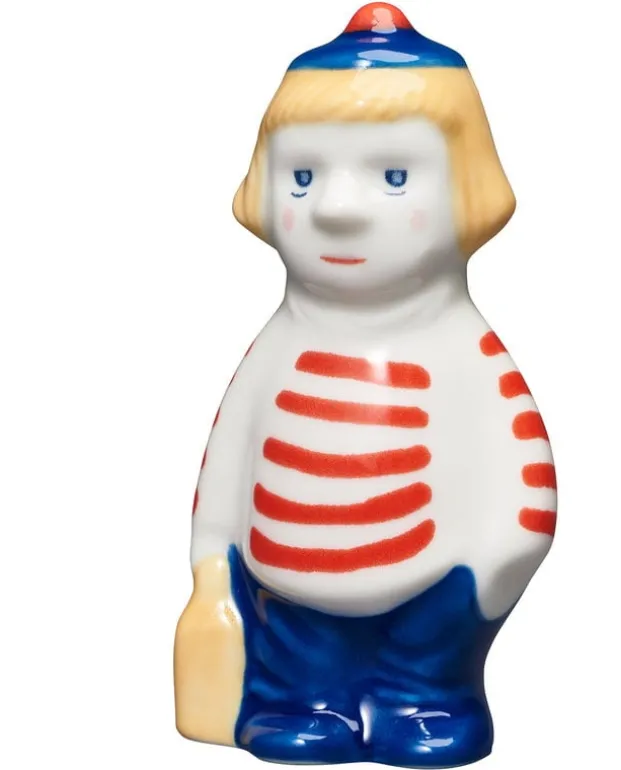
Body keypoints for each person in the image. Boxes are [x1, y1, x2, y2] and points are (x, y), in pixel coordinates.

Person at [174, 4, 556, 766]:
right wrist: (211, 558)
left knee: (426, 658)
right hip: (286, 590)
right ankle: (300, 703)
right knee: (296, 657)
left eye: (393, 176)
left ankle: (423, 703)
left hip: (433, 587)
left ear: (468, 191)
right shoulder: (275, 349)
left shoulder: (464, 350)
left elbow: (520, 461)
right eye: (303, 175)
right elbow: (227, 461)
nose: (337, 209)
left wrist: (502, 557)